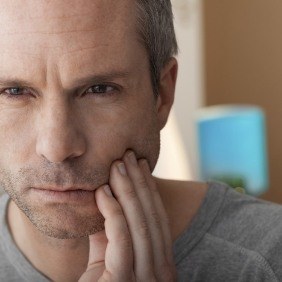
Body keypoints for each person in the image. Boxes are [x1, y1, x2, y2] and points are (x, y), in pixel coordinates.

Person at [0, 0, 282, 281]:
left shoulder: (270, 259)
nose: (56, 148)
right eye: (14, 91)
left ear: (163, 95)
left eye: (99, 89)